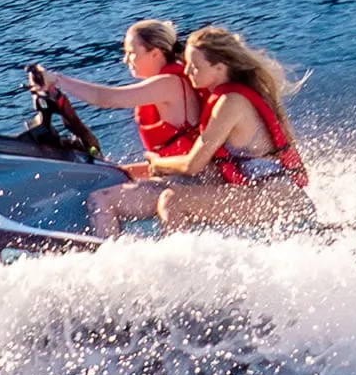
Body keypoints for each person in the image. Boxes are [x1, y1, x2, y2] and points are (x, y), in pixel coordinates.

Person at [133, 25, 315, 231]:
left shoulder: (230, 103)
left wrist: (159, 164)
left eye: (195, 67)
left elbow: (192, 165)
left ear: (220, 68)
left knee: (171, 200)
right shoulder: (226, 96)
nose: (186, 71)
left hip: (275, 199)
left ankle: (181, 261)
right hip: (265, 194)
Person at [26, 20, 201, 234]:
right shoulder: (166, 83)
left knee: (101, 199)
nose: (125, 59)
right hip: (176, 176)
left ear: (155, 53)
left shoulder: (168, 84)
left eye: (131, 53)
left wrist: (57, 79)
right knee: (109, 174)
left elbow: (105, 98)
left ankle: (111, 256)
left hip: (191, 182)